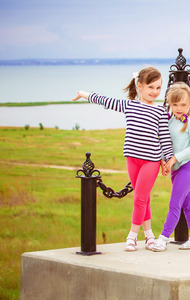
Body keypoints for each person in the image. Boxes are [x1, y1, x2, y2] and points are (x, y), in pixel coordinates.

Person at [72, 66, 174, 252]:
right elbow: (106, 101)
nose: (155, 92)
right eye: (151, 87)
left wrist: (167, 161)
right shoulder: (129, 105)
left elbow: (165, 139)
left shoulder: (160, 112)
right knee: (144, 198)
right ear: (140, 86)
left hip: (150, 161)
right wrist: (84, 94)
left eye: (158, 88)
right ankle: (149, 235)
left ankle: (132, 236)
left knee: (140, 198)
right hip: (132, 159)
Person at [152, 81, 190, 252]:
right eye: (175, 104)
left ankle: (163, 239)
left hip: (188, 167)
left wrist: (174, 158)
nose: (179, 108)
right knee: (189, 205)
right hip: (175, 169)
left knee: (174, 204)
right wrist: (163, 160)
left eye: (183, 104)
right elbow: (163, 142)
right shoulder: (169, 121)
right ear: (170, 104)